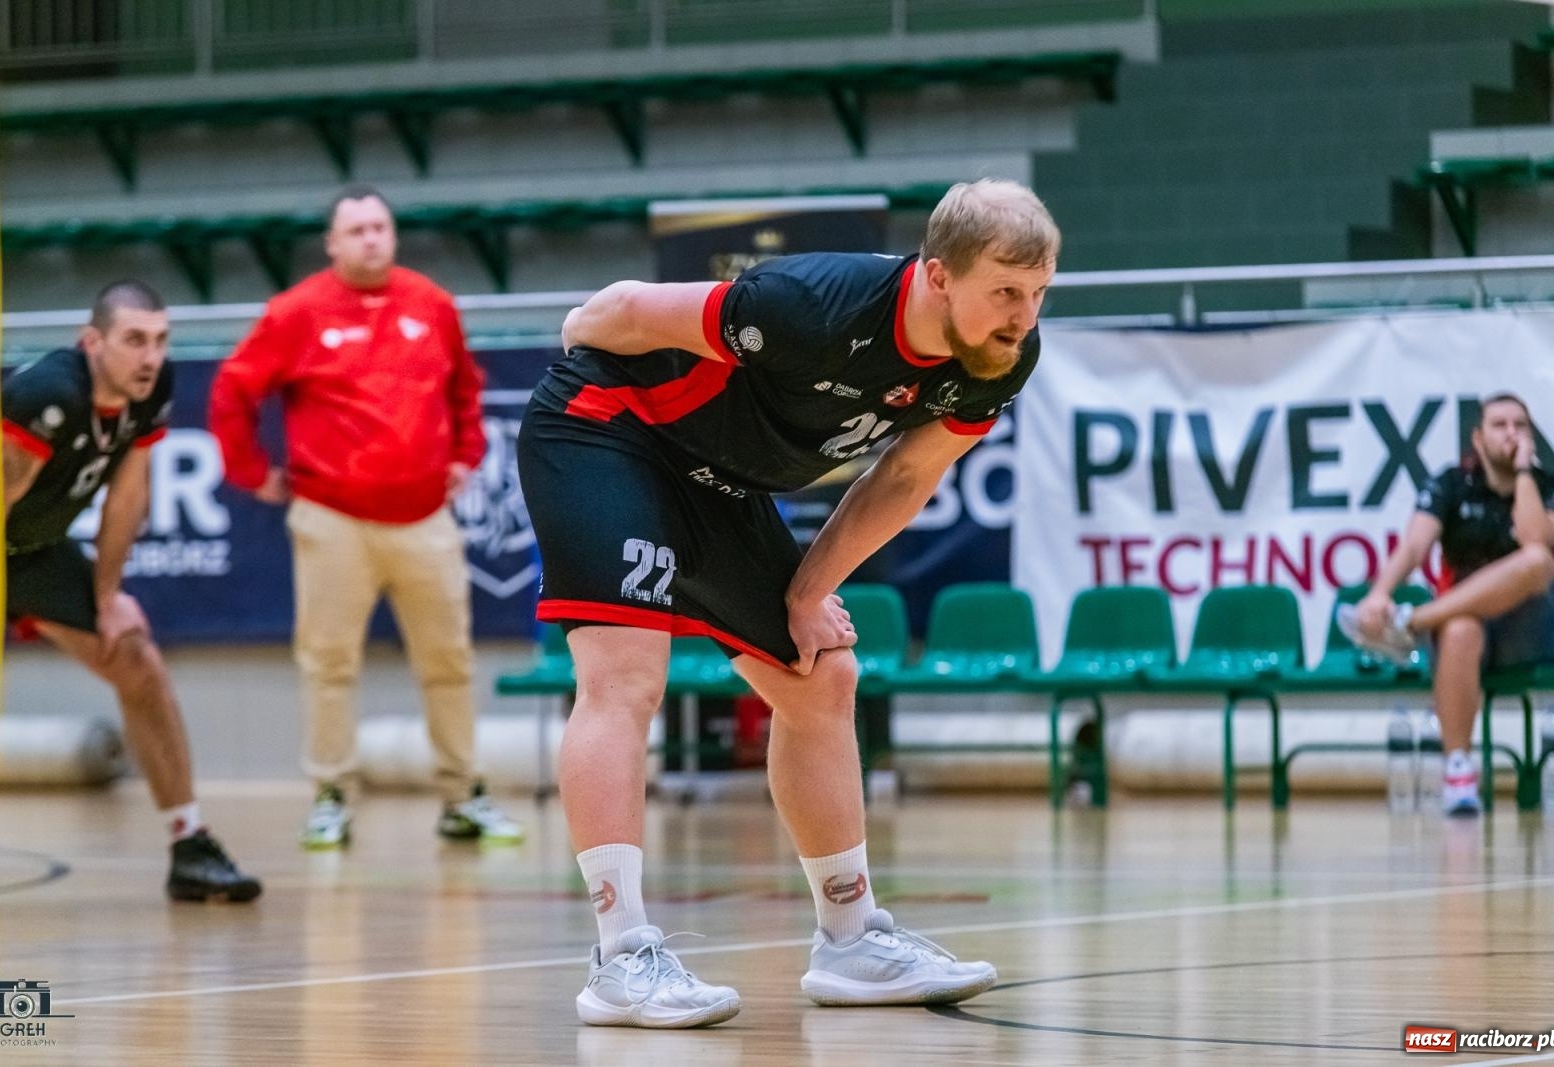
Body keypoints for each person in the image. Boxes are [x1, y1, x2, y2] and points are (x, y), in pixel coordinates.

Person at [517, 178, 1058, 1027]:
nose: (1022, 315)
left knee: (820, 676)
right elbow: (625, 306)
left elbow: (908, 476)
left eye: (1036, 293)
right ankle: (620, 957)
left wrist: (811, 588)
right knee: (625, 677)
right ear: (939, 275)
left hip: (718, 480)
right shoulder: (811, 303)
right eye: (1005, 291)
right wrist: (579, 332)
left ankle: (850, 941)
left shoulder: (997, 357)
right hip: (607, 429)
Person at [208, 186, 522, 849]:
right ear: (332, 243)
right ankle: (330, 795)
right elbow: (233, 388)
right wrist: (250, 473)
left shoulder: (431, 303)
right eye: (356, 230)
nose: (371, 238)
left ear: (393, 234)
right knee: (328, 663)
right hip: (332, 517)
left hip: (425, 516)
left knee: (449, 660)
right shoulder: (296, 312)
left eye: (380, 226)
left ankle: (463, 795)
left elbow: (465, 387)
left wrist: (467, 455)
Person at [2, 280, 262, 903]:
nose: (150, 357)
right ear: (92, 342)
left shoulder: (152, 391)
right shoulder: (46, 395)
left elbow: (127, 498)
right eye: (134, 341)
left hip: (32, 553)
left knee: (137, 660)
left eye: (161, 340)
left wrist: (108, 593)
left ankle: (190, 844)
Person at [1340, 391, 1554, 816]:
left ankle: (1414, 622)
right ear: (1478, 439)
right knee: (1461, 628)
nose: (1512, 433)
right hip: (1469, 630)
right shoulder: (1449, 483)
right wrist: (1379, 594)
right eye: (1500, 425)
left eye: (1520, 425)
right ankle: (1459, 771)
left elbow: (1537, 542)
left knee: (1537, 562)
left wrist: (1522, 473)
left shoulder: (1550, 485)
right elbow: (1413, 546)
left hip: (1533, 629)